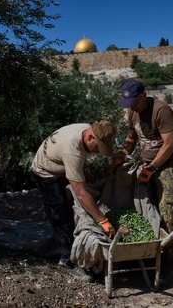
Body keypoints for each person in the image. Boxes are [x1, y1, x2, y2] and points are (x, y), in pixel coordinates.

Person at [114, 79, 173, 282]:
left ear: (144, 95)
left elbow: (170, 144)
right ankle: (152, 251)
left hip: (164, 164)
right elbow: (131, 137)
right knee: (148, 207)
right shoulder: (133, 110)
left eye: (135, 102)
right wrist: (122, 155)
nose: (132, 107)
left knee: (170, 210)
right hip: (146, 164)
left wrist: (152, 168)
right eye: (129, 104)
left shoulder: (161, 110)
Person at [31, 120, 116, 282]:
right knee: (59, 215)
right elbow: (82, 194)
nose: (98, 152)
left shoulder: (86, 130)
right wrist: (103, 221)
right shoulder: (73, 151)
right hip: (46, 173)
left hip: (60, 167)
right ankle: (67, 260)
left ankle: (72, 243)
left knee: (71, 208)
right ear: (91, 137)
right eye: (98, 147)